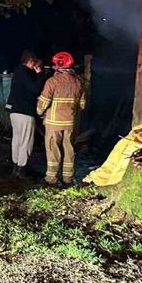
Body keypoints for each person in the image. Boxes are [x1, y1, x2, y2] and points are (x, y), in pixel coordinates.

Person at [36, 51, 87, 186]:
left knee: (53, 149)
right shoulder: (79, 82)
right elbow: (82, 105)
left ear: (59, 65)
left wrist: (40, 113)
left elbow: (42, 104)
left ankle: (51, 178)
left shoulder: (52, 81)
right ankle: (68, 179)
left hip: (53, 123)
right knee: (69, 149)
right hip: (70, 123)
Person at [7, 50, 45, 176]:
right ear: (31, 61)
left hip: (16, 111)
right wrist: (40, 74)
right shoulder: (25, 73)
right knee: (26, 141)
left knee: (17, 139)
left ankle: (16, 165)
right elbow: (35, 89)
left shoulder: (18, 72)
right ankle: (21, 167)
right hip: (25, 112)